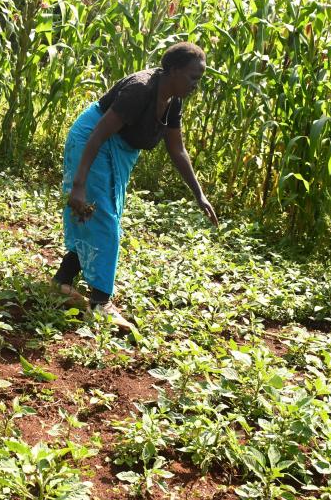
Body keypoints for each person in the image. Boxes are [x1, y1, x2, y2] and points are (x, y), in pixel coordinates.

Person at [52, 42, 218, 326]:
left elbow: (177, 150)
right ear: (174, 70)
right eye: (193, 77)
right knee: (104, 218)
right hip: (92, 141)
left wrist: (199, 194)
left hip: (115, 148)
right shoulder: (140, 89)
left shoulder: (172, 101)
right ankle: (100, 302)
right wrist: (79, 184)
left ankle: (63, 280)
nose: (195, 85)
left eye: (199, 79)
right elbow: (98, 134)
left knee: (99, 214)